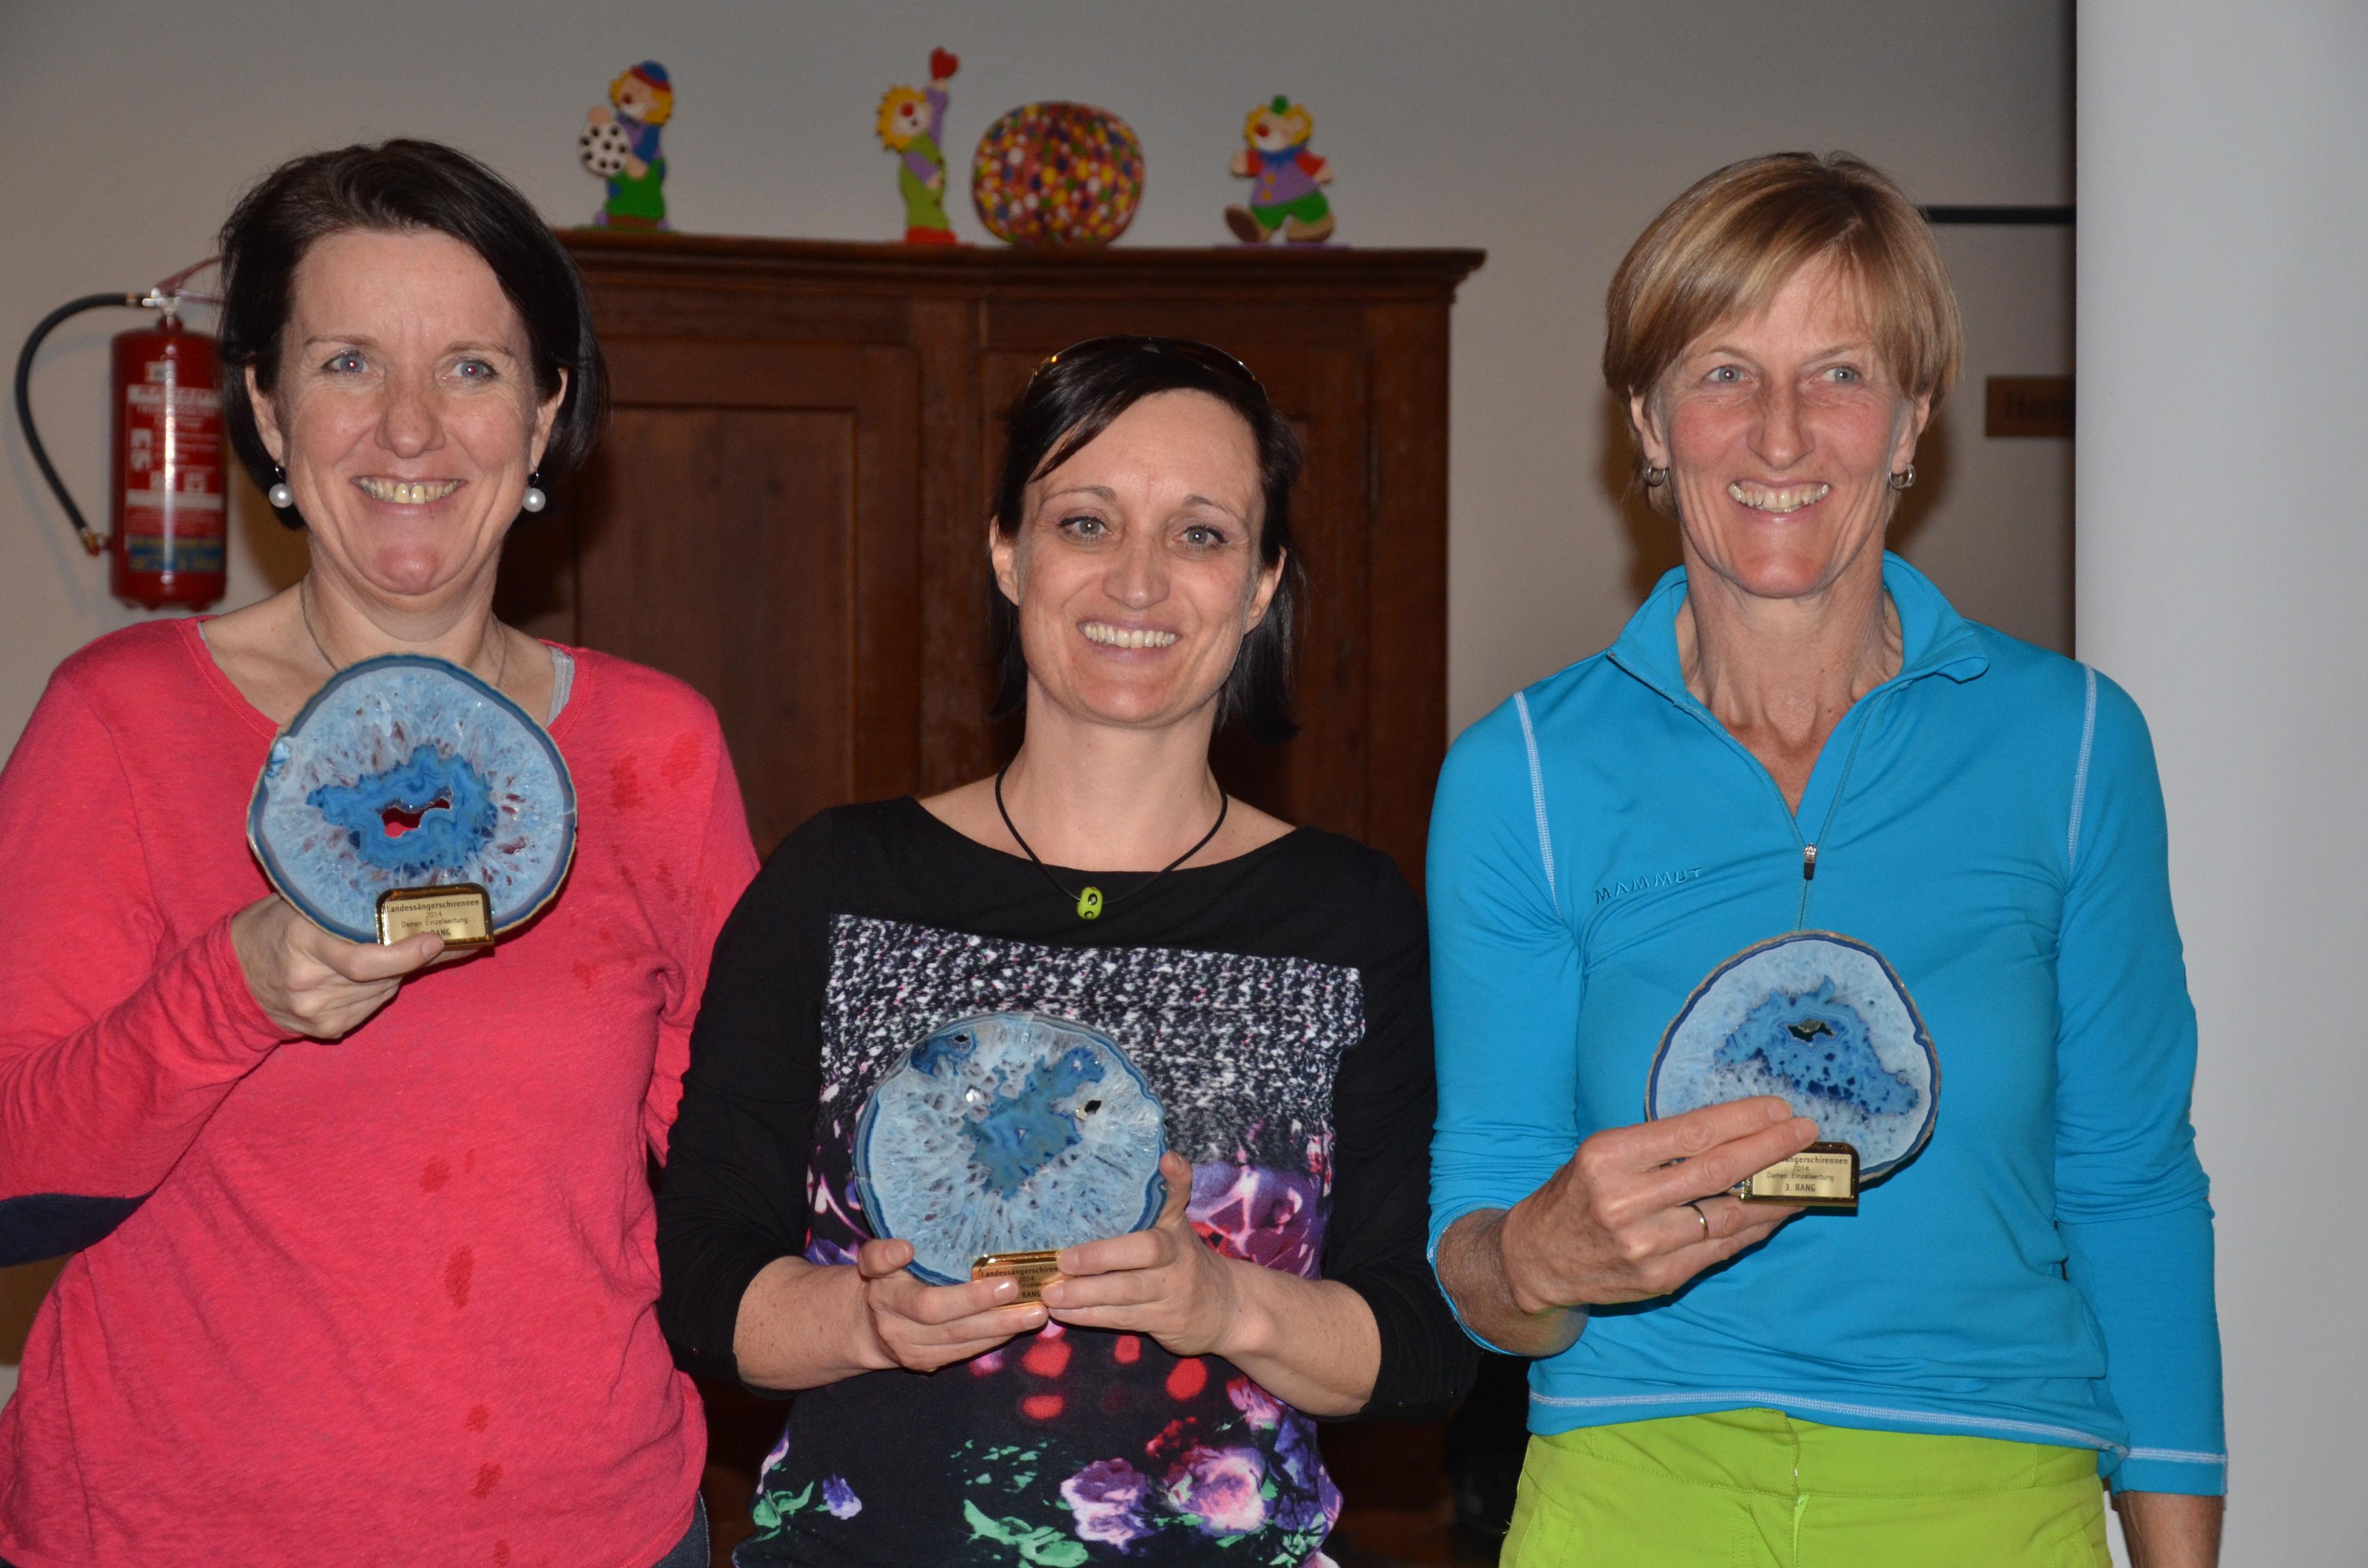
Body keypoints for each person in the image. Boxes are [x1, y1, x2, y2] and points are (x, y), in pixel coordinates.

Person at [1425, 153, 2224, 1567]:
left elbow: (2130, 1181)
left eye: (1839, 374)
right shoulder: (1521, 774)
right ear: (1647, 421)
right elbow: (1482, 1252)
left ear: (1911, 420)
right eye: (1723, 373)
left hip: (1990, 1485)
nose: (1780, 435)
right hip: (1630, 1484)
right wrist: (1529, 1257)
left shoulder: (2073, 743)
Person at [0, 141, 755, 1566]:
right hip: (174, 1538)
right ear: (268, 409)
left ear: (544, 412)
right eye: (348, 363)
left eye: (470, 368)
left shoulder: (659, 749)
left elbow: (742, 1159)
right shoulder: (119, 722)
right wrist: (231, 992)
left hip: (595, 1530)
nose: (410, 429)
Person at [657, 336, 1475, 1565]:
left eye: (1199, 534)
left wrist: (1226, 1303)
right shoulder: (836, 883)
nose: (1137, 581)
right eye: (1086, 523)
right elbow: (698, 1276)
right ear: (1008, 552)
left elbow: (1422, 1345)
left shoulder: (1349, 917)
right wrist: (864, 1322)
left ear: (1261, 583)